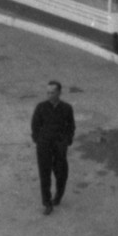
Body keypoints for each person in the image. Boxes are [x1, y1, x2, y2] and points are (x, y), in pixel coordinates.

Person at [29, 80, 75, 213]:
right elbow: (35, 126)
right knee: (45, 174)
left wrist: (66, 141)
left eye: (52, 92)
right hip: (44, 146)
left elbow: (70, 126)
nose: (49, 95)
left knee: (61, 173)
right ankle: (47, 202)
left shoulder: (66, 108)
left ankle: (58, 196)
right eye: (48, 92)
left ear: (59, 93)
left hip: (59, 146)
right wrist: (39, 141)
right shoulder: (41, 107)